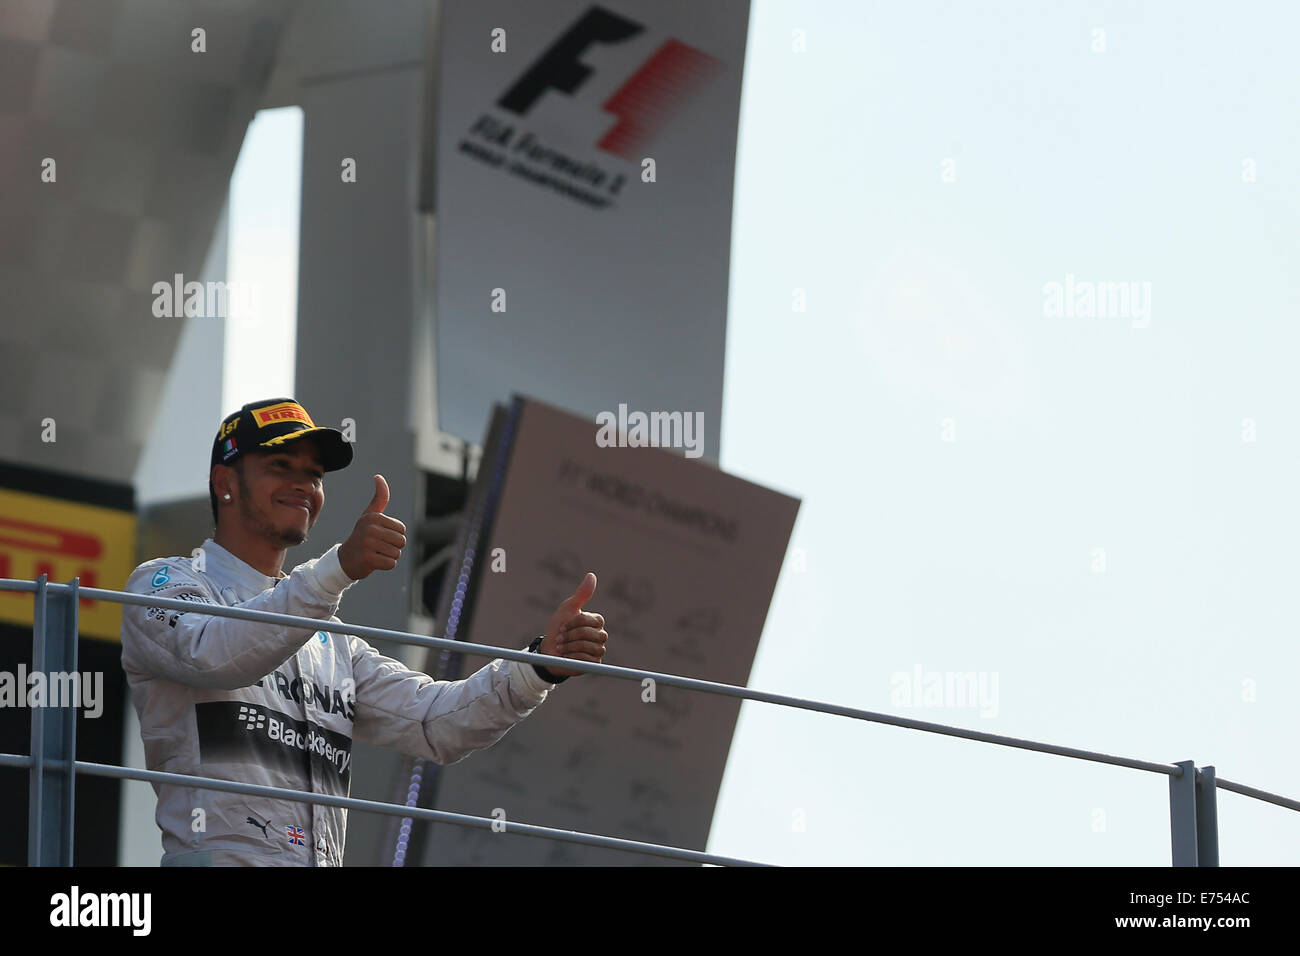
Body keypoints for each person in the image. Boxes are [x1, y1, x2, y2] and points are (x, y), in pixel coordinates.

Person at [119, 397, 608, 866]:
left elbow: (436, 724)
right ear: (224, 483)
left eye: (313, 474)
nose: (303, 485)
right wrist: (337, 569)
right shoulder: (165, 583)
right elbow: (214, 657)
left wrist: (538, 666)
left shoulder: (331, 640)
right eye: (280, 467)